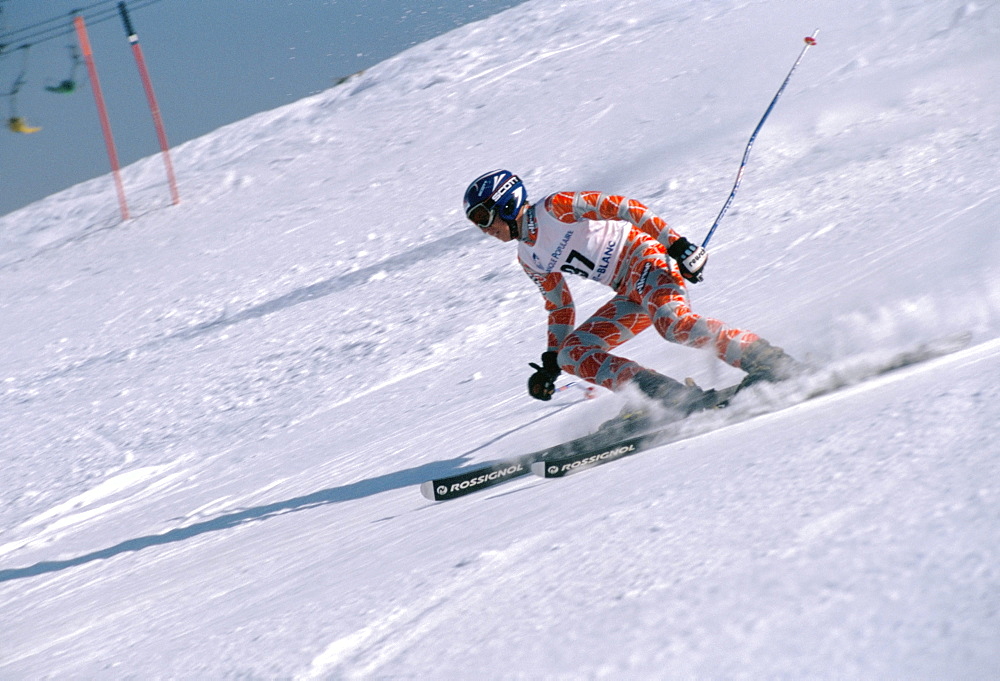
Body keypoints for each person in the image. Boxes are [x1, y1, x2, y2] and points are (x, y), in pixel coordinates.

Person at [463, 169, 802, 416]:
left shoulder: (556, 208)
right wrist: (552, 362)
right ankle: (666, 398)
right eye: (475, 222)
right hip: (628, 291)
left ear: (506, 203)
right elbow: (560, 306)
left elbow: (623, 207)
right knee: (572, 354)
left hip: (648, 261)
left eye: (483, 215)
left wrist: (678, 245)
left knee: (673, 325)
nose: (483, 228)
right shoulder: (528, 257)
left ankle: (771, 362)